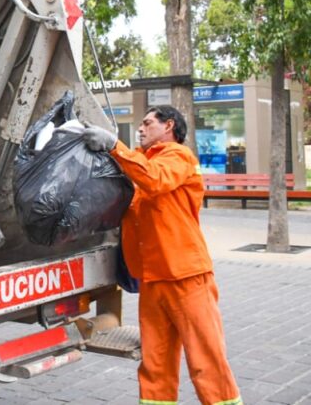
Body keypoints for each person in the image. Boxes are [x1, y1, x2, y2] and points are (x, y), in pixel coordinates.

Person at [83, 106, 242, 405]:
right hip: (153, 280)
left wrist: (114, 145)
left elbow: (156, 180)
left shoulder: (178, 157)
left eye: (147, 123)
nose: (140, 129)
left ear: (168, 126)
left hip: (186, 277)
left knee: (205, 360)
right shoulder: (140, 162)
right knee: (155, 364)